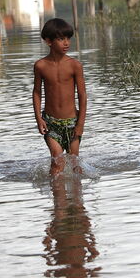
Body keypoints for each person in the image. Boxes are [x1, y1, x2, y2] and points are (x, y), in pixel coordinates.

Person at [32, 18, 87, 175]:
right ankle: (58, 198)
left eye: (68, 38)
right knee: (57, 162)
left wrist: (80, 123)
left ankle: (77, 198)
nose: (66, 43)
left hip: (72, 122)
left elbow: (82, 94)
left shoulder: (75, 65)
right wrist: (38, 118)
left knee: (75, 164)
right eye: (61, 39)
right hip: (51, 122)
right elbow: (37, 92)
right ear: (48, 41)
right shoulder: (40, 66)